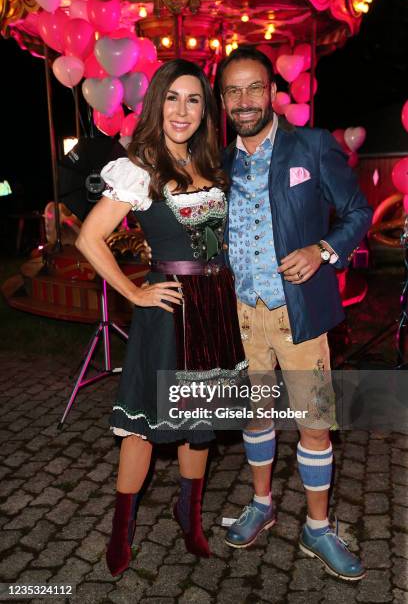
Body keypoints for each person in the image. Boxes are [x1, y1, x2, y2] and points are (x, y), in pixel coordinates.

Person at [76, 59, 247, 576]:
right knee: (143, 430)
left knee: (201, 426)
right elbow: (89, 238)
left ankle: (189, 516)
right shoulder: (142, 167)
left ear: (205, 111)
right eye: (172, 97)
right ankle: (121, 529)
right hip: (169, 311)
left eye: (193, 99)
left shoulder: (214, 165)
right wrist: (134, 291)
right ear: (157, 104)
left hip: (215, 308)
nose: (182, 110)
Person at [217, 47, 372, 581]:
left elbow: (358, 212)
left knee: (314, 423)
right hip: (243, 320)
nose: (244, 100)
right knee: (257, 417)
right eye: (233, 91)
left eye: (254, 88)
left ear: (273, 93)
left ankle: (318, 527)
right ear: (222, 100)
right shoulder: (219, 162)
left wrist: (323, 251)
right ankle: (261, 504)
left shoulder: (311, 145)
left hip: (298, 318)